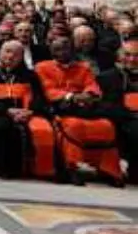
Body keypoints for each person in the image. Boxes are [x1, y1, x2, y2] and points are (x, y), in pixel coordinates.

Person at [34, 35, 122, 185]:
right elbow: (48, 90)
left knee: (107, 126)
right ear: (52, 51)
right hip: (60, 108)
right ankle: (71, 168)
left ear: (72, 50)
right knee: (73, 127)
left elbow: (92, 86)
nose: (62, 52)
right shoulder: (42, 67)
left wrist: (88, 95)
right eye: (57, 49)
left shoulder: (84, 67)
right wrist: (72, 97)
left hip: (85, 107)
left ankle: (108, 170)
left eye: (66, 49)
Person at [0, 40, 55, 179]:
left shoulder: (30, 75)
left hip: (25, 113)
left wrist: (30, 111)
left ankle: (24, 168)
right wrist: (7, 110)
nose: (11, 56)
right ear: (0, 53)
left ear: (22, 57)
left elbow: (39, 98)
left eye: (16, 54)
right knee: (3, 125)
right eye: (7, 52)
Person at [98, 40, 138, 185]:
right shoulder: (106, 77)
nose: (132, 59)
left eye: (136, 56)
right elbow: (105, 105)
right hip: (119, 119)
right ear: (119, 56)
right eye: (128, 55)